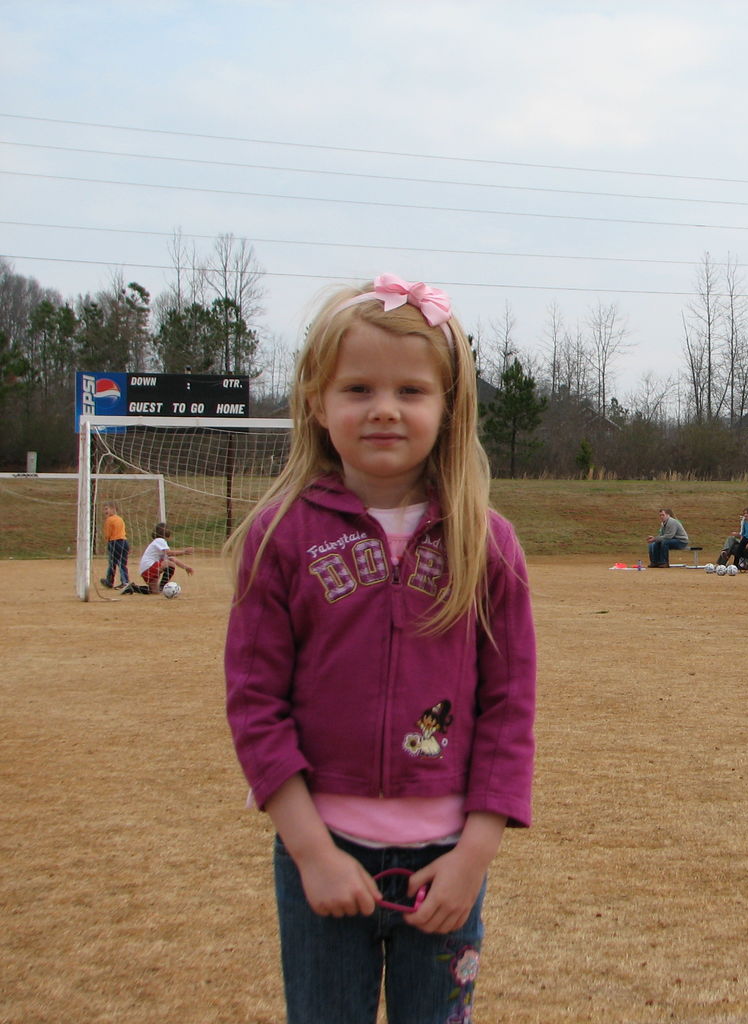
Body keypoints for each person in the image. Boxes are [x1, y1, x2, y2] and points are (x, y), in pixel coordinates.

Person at [223, 273, 537, 1024]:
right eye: (358, 388)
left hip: (445, 861)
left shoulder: (486, 544)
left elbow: (508, 708)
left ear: (449, 406)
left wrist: (474, 857)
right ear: (315, 401)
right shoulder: (280, 537)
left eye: (411, 391)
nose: (384, 410)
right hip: (324, 855)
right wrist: (310, 850)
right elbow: (255, 704)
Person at [126, 522, 194, 594]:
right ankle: (162, 587)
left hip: (146, 571)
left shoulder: (158, 543)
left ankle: (133, 588)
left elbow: (172, 558)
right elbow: (169, 553)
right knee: (170, 564)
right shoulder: (160, 540)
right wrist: (184, 552)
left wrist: (186, 567)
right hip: (149, 568)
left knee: (155, 592)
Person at [99, 502, 130, 590]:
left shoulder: (109, 520)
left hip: (115, 542)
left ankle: (110, 581)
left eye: (106, 509)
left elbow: (108, 534)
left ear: (113, 509)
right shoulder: (120, 519)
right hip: (124, 541)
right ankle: (125, 581)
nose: (105, 511)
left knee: (112, 563)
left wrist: (107, 540)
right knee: (122, 563)